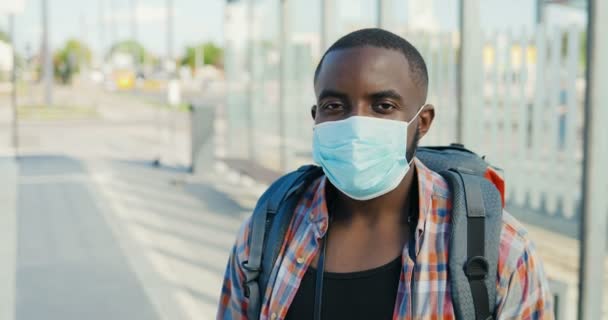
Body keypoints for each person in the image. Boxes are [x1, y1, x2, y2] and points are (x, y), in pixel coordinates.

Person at [217, 28, 553, 320]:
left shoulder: (502, 249)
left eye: (383, 106)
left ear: (422, 122)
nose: (357, 124)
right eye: (335, 106)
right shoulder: (267, 230)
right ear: (315, 116)